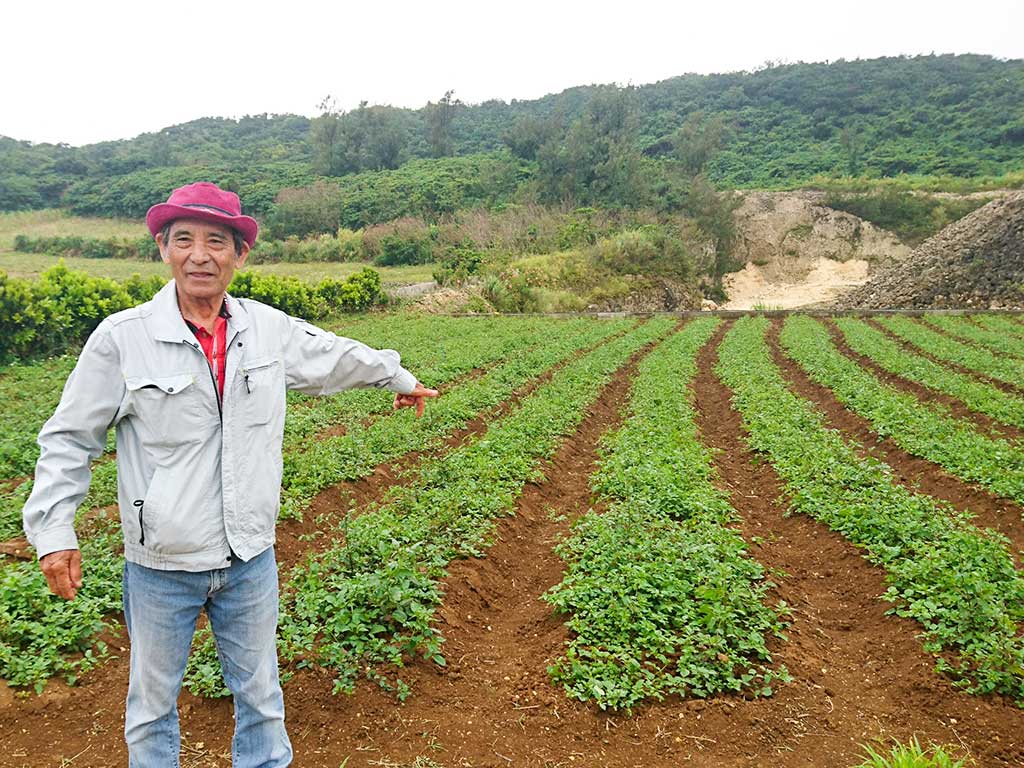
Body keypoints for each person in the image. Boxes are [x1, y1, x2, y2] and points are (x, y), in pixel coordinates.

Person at [22, 181, 438, 767]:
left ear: (239, 255)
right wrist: (53, 531)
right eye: (184, 239)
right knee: (151, 707)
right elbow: (68, 438)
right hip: (162, 565)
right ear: (163, 248)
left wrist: (395, 376)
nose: (200, 254)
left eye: (217, 241)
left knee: (262, 700)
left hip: (249, 558)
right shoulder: (124, 339)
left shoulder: (266, 329)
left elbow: (332, 355)